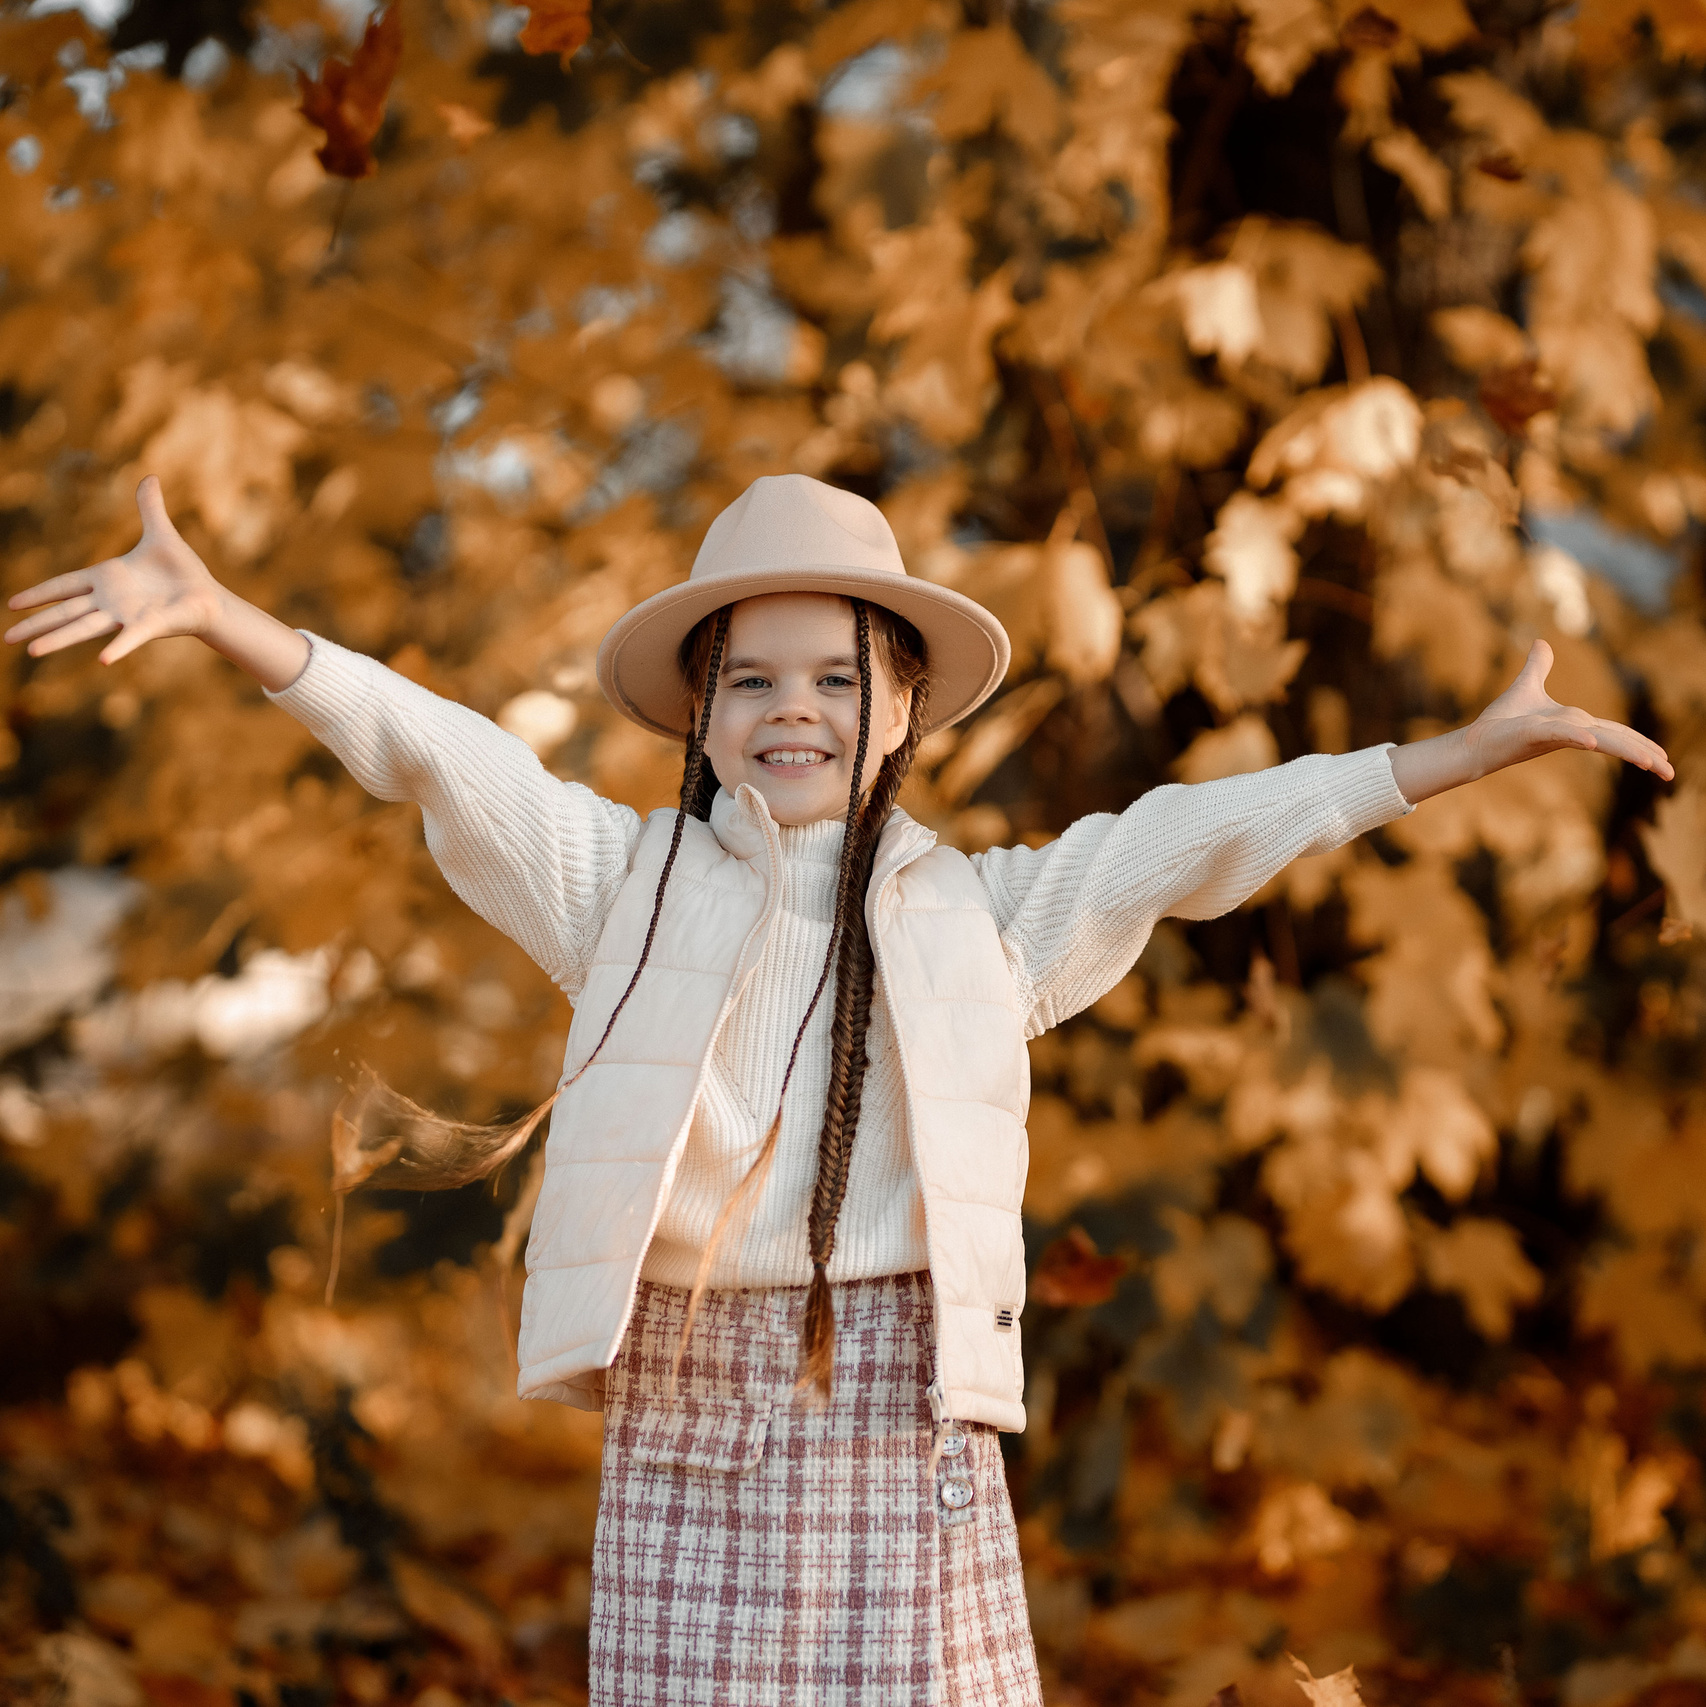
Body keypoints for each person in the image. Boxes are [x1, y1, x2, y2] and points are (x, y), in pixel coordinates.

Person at [6, 472, 1672, 1705]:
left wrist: (1436, 760)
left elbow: (1187, 842)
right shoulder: (619, 884)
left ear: (903, 704)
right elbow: (443, 753)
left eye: (833, 676)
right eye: (749, 678)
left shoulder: (985, 914)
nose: (790, 708)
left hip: (896, 1382)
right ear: (700, 711)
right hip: (687, 1385)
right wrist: (231, 622)